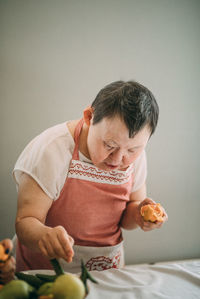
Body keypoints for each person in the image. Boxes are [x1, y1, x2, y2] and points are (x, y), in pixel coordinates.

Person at [13, 80, 168, 273]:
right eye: (109, 145)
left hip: (108, 270)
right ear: (88, 117)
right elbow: (25, 221)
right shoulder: (52, 150)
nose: (118, 159)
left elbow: (127, 215)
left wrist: (139, 214)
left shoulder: (135, 157)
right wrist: (45, 235)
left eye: (133, 149)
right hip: (47, 273)